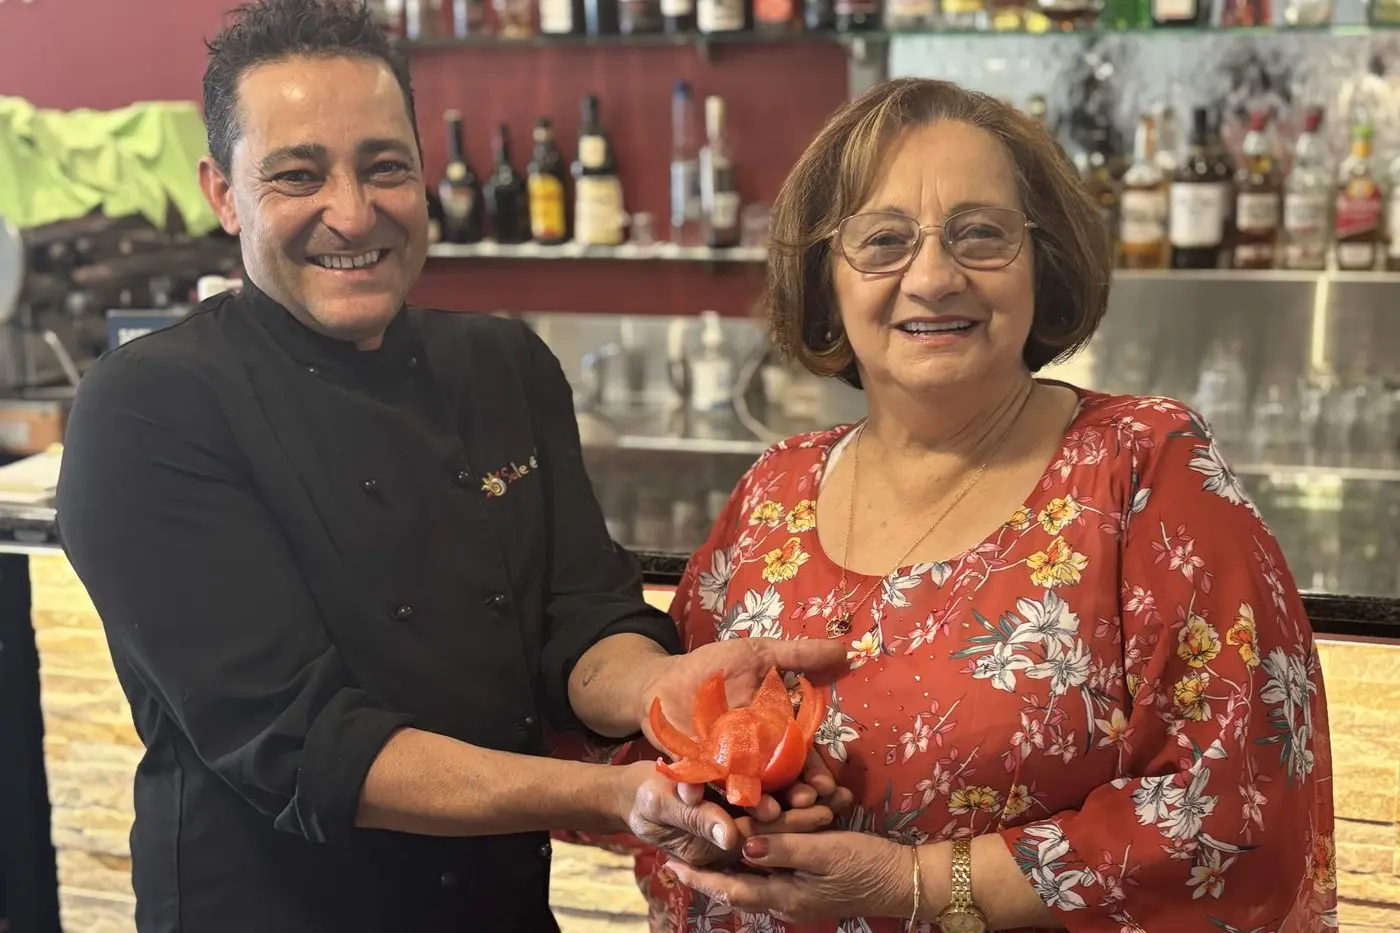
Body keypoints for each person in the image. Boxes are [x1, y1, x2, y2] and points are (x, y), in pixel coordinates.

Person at [53, 2, 846, 931]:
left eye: (385, 166)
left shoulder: (503, 365)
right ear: (223, 193)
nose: (353, 211)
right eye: (298, 174)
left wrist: (664, 693)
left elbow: (582, 618)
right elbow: (305, 744)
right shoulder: (150, 406)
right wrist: (615, 796)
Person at [629, 78, 1338, 933]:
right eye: (884, 240)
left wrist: (916, 884)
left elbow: (1238, 806)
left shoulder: (1143, 467)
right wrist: (712, 809)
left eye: (980, 234)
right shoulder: (773, 488)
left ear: (1045, 260)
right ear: (825, 280)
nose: (934, 276)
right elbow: (669, 740)